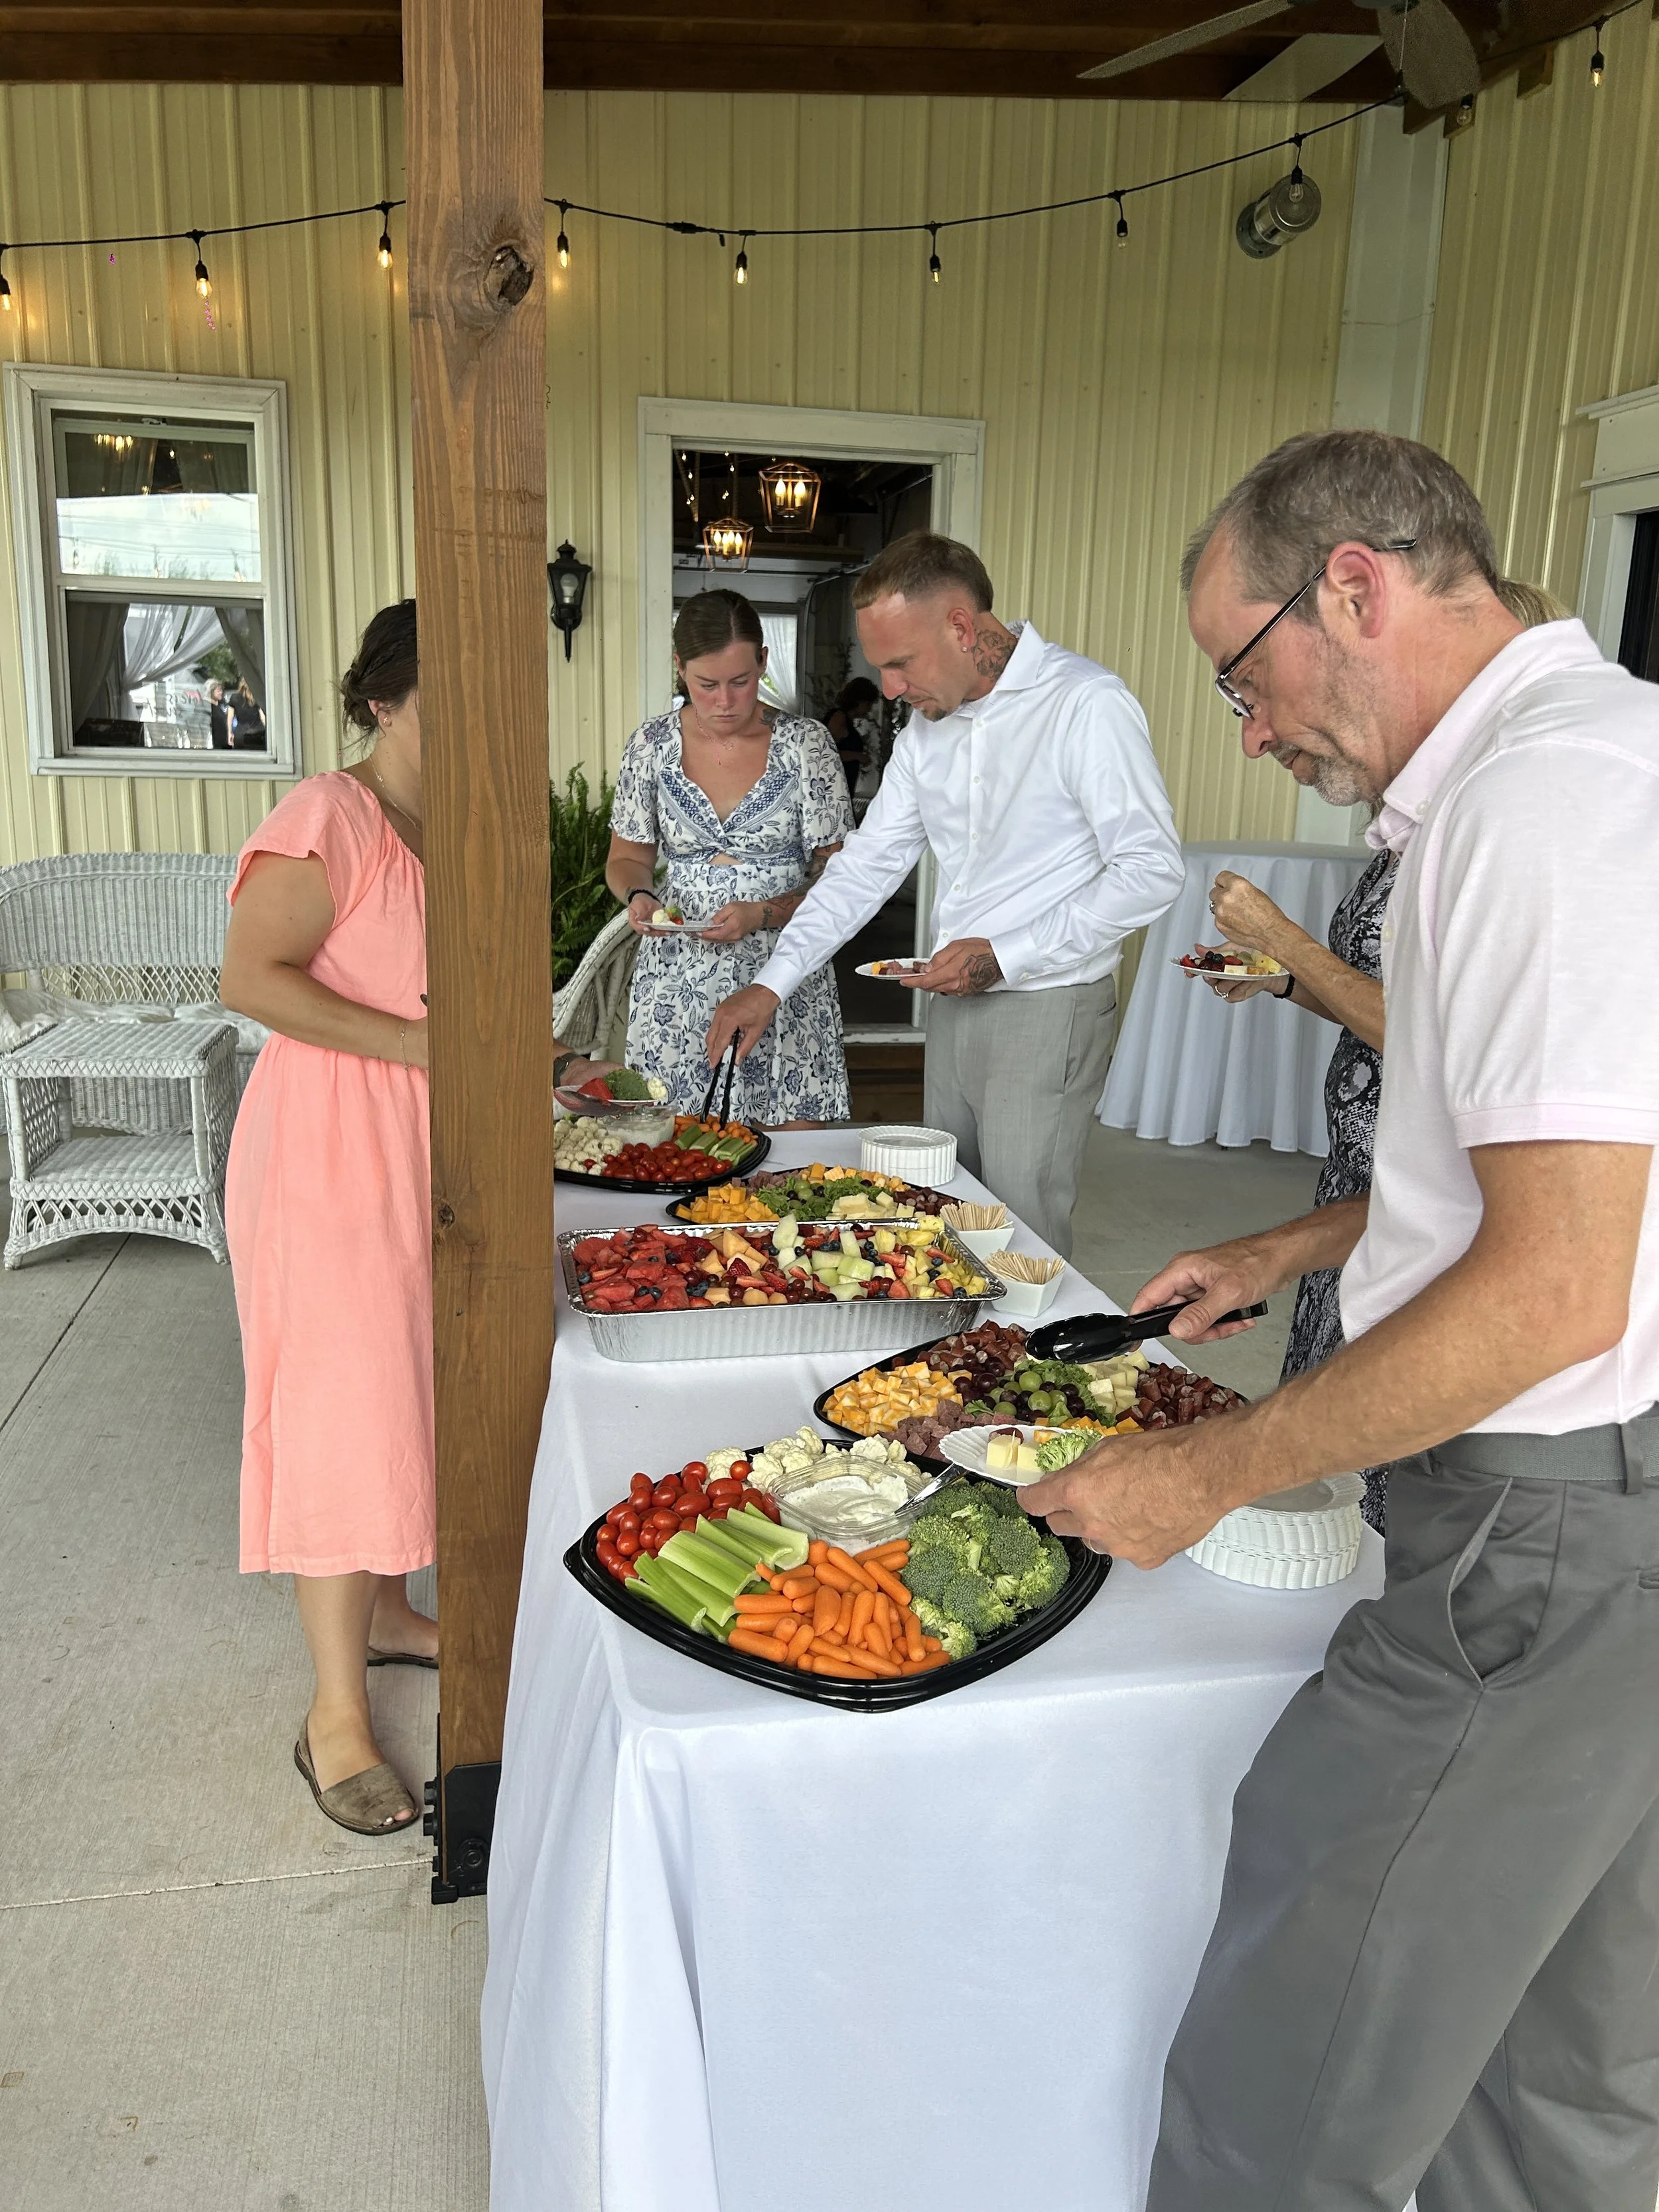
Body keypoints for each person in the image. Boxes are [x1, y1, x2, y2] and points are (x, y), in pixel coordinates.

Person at [1021, 431, 1659, 2212]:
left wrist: (1208, 1470)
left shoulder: (1536, 804)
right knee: (1562, 2083)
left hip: (1531, 1542)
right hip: (1611, 1524)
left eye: (1243, 673)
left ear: (1353, 589)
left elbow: (1554, 1287)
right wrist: (1300, 1244)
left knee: (1278, 2096)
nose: (1247, 731)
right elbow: (1578, 1178)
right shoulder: (1612, 750)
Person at [220, 601, 613, 1837]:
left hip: (434, 1148)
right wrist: (417, 1047)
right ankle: (334, 1712)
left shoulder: (465, 823)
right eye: (449, 706)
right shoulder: (329, 815)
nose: (475, 730)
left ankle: (390, 1613)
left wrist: (530, 1059)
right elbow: (248, 976)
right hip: (329, 1150)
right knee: (343, 1409)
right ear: (382, 702)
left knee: (413, 1388)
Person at [707, 532, 1183, 1256]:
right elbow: (865, 867)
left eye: (901, 663)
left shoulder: (1085, 703)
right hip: (954, 1001)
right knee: (946, 1210)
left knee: (1021, 1233)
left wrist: (1007, 954)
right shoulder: (925, 730)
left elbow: (1152, 868)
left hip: (1048, 1003)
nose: (890, 689)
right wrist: (770, 985)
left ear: (962, 627)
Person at [605, 588, 853, 1128]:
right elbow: (627, 857)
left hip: (784, 971)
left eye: (740, 681)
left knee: (790, 1153)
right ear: (679, 667)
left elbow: (840, 877)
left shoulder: (806, 746)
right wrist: (640, 894)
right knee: (675, 1146)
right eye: (706, 684)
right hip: (677, 978)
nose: (724, 701)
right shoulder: (650, 746)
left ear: (763, 661)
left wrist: (761, 913)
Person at [824, 675, 879, 792]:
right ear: (858, 701)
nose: (869, 709)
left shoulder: (847, 721)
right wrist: (858, 756)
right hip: (834, 789)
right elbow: (827, 753)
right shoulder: (839, 718)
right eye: (868, 705)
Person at [229, 679, 267, 750]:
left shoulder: (234, 698)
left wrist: (230, 733)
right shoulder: (256, 698)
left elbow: (230, 718)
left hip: (240, 735)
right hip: (257, 734)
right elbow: (262, 717)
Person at [207, 680, 232, 751]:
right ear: (211, 692)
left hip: (225, 744)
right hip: (216, 745)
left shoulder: (221, 706)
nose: (221, 693)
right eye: (218, 691)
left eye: (221, 690)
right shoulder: (209, 707)